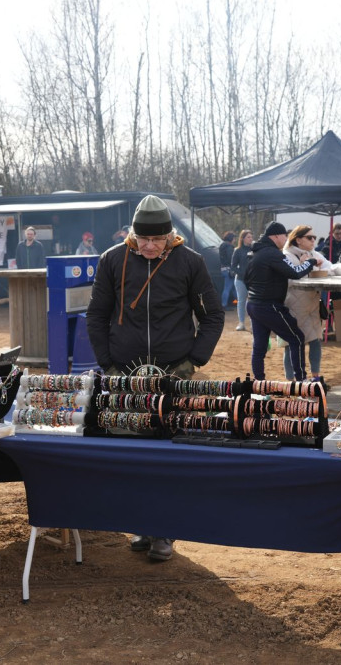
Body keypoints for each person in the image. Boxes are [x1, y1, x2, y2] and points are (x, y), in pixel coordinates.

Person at [87, 195, 224, 563]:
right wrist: (107, 365)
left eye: (157, 239)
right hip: (125, 375)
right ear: (132, 234)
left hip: (173, 373)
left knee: (167, 454)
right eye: (143, 239)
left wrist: (193, 361)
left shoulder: (190, 262)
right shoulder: (112, 260)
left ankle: (163, 530)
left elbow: (212, 316)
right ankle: (142, 524)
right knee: (131, 454)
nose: (149, 246)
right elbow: (96, 316)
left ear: (169, 235)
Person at [245, 222, 317, 382]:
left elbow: (246, 279)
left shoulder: (255, 252)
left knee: (259, 347)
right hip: (269, 305)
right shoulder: (273, 254)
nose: (286, 239)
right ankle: (301, 380)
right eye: (285, 235)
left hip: (253, 304)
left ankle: (259, 383)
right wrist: (310, 262)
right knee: (297, 338)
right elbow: (295, 272)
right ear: (276, 236)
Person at [281, 226, 332, 385]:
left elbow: (329, 267)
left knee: (316, 340)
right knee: (291, 343)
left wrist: (320, 267)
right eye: (310, 237)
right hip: (293, 305)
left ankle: (316, 377)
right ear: (298, 239)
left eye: (314, 237)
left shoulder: (314, 253)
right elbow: (291, 278)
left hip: (312, 304)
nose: (313, 240)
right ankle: (290, 381)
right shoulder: (286, 255)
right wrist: (306, 264)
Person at [230, 229, 255, 330]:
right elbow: (233, 266)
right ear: (243, 238)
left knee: (252, 302)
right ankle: (241, 323)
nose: (251, 239)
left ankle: (253, 324)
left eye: (251, 237)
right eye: (248, 237)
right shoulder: (238, 250)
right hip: (240, 280)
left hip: (253, 280)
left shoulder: (255, 249)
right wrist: (242, 273)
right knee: (241, 301)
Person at [218, 231, 236, 308]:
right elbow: (231, 258)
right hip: (229, 270)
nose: (234, 240)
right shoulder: (229, 247)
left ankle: (240, 302)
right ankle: (224, 304)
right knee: (227, 288)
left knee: (233, 288)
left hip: (223, 269)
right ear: (231, 238)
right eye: (234, 238)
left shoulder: (222, 246)